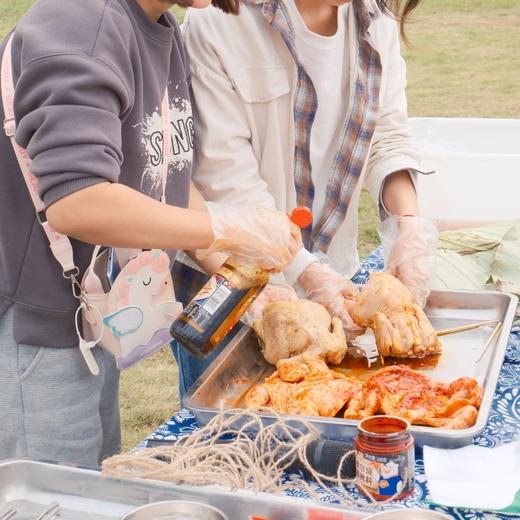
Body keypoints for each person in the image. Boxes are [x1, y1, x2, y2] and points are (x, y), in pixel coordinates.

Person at [0, 0, 302, 468]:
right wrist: (228, 226)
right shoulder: (82, 22)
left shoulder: (158, 27)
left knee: (94, 484)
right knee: (54, 498)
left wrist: (233, 264)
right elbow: (76, 199)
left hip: (89, 316)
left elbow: (171, 176)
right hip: (31, 327)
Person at [171, 0, 439, 393]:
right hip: (235, 291)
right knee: (229, 442)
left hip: (334, 287)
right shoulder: (217, 20)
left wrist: (408, 225)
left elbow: (386, 135)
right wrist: (306, 272)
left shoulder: (373, 19)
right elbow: (225, 180)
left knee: (330, 443)